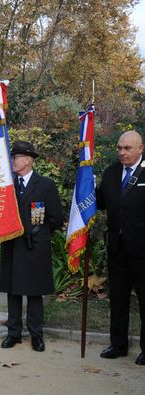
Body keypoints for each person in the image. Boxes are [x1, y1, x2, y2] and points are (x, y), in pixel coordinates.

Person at [0, 141, 63, 352]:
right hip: (12, 245)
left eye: (16, 157)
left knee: (34, 293)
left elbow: (55, 218)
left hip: (34, 245)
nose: (13, 161)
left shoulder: (45, 185)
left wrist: (39, 233)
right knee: (13, 291)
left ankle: (36, 335)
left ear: (27, 160)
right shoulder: (7, 186)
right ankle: (13, 333)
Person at [95, 130, 145, 366]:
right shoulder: (111, 172)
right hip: (117, 247)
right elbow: (101, 201)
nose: (122, 152)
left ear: (140, 148)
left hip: (143, 250)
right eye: (119, 148)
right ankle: (118, 344)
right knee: (118, 299)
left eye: (127, 148)